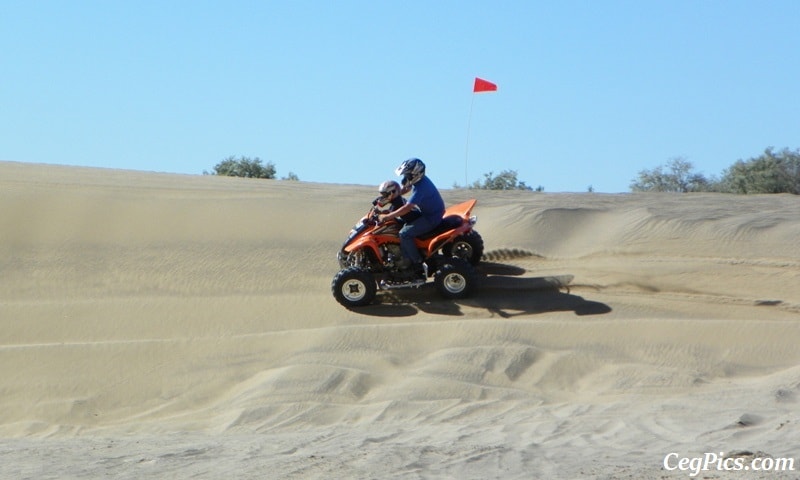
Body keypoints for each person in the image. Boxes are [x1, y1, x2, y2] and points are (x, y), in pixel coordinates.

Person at [378, 158, 445, 278]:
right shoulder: (417, 181)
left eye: (408, 174)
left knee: (404, 234)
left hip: (431, 218)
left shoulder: (421, 188)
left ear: (416, 174)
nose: (406, 177)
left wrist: (388, 216)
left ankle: (417, 264)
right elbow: (406, 188)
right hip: (428, 213)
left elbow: (407, 208)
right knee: (399, 223)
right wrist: (388, 197)